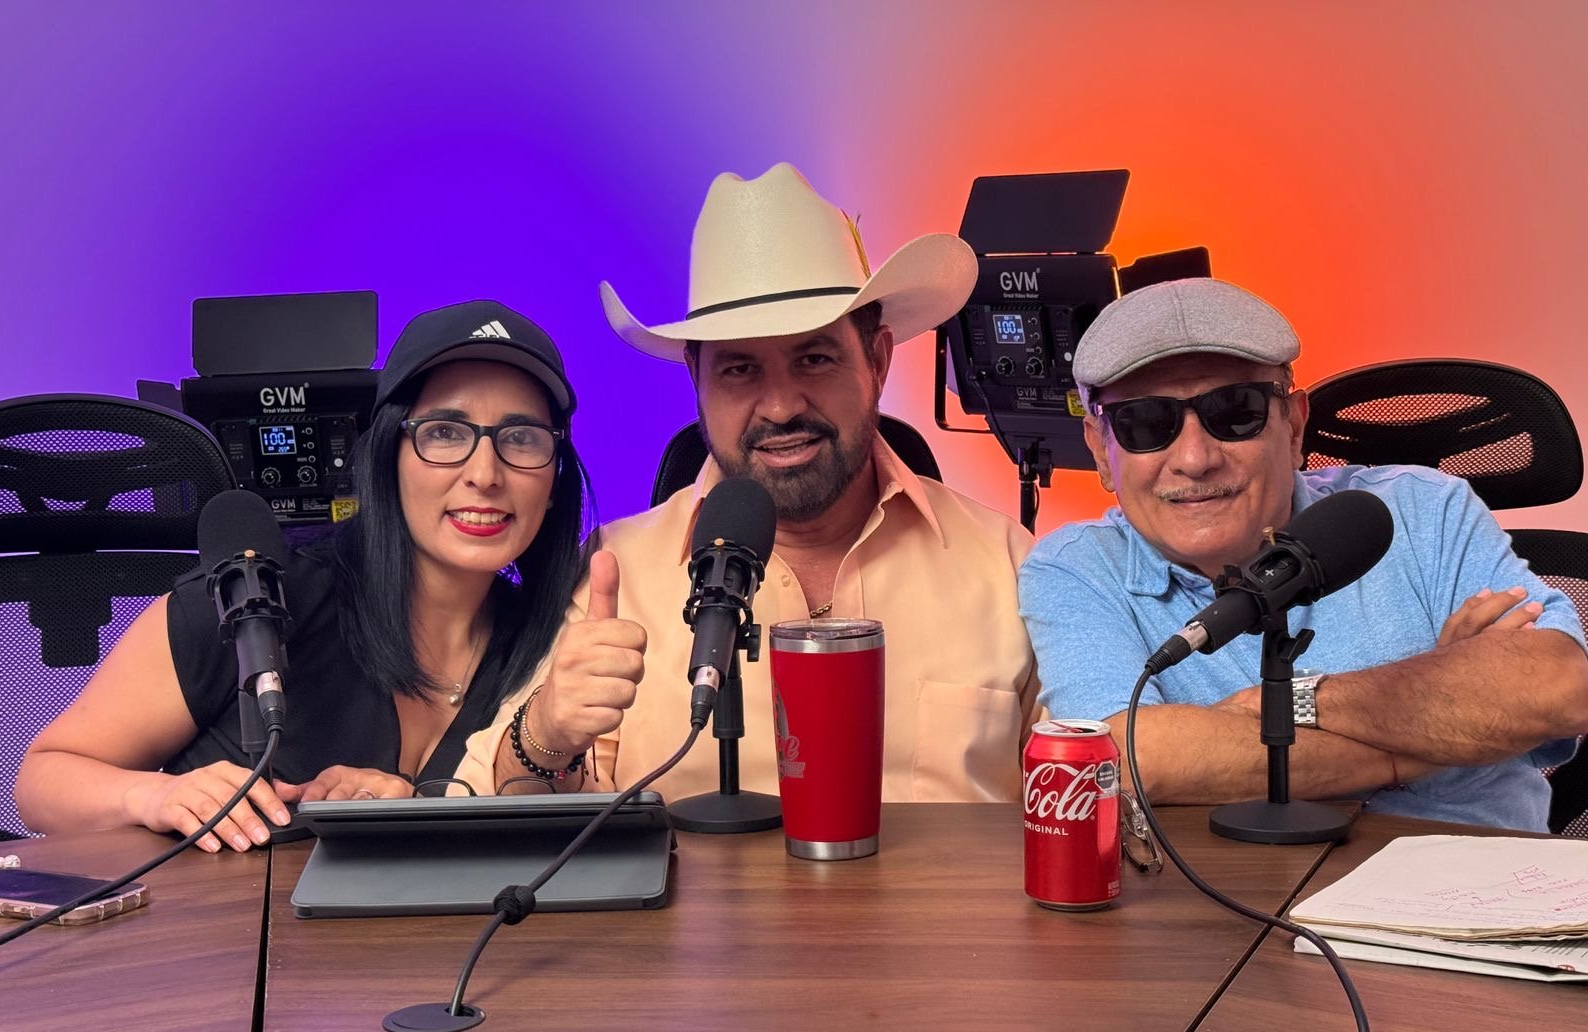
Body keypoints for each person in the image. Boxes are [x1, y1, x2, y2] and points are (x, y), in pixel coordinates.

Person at [461, 163, 1039, 804]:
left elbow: (1095, 806)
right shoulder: (613, 575)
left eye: (814, 358)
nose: (781, 406)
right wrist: (546, 733)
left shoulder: (1011, 567)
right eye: (739, 369)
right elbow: (493, 813)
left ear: (876, 361)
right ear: (696, 382)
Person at [17, 300, 596, 850]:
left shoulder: (549, 650)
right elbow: (42, 782)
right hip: (220, 942)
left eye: (522, 438)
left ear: (553, 484)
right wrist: (155, 795)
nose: (485, 474)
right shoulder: (257, 602)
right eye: (444, 432)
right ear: (385, 460)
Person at [1017, 276, 1588, 830]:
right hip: (1238, 909)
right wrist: (1437, 729)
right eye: (1144, 422)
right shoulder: (1074, 568)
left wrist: (1287, 704)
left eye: (1234, 410)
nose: (1194, 459)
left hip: (1479, 898)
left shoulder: (1424, 507)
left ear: (1292, 427)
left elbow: (1557, 686)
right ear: (1099, 449)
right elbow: (1124, 757)